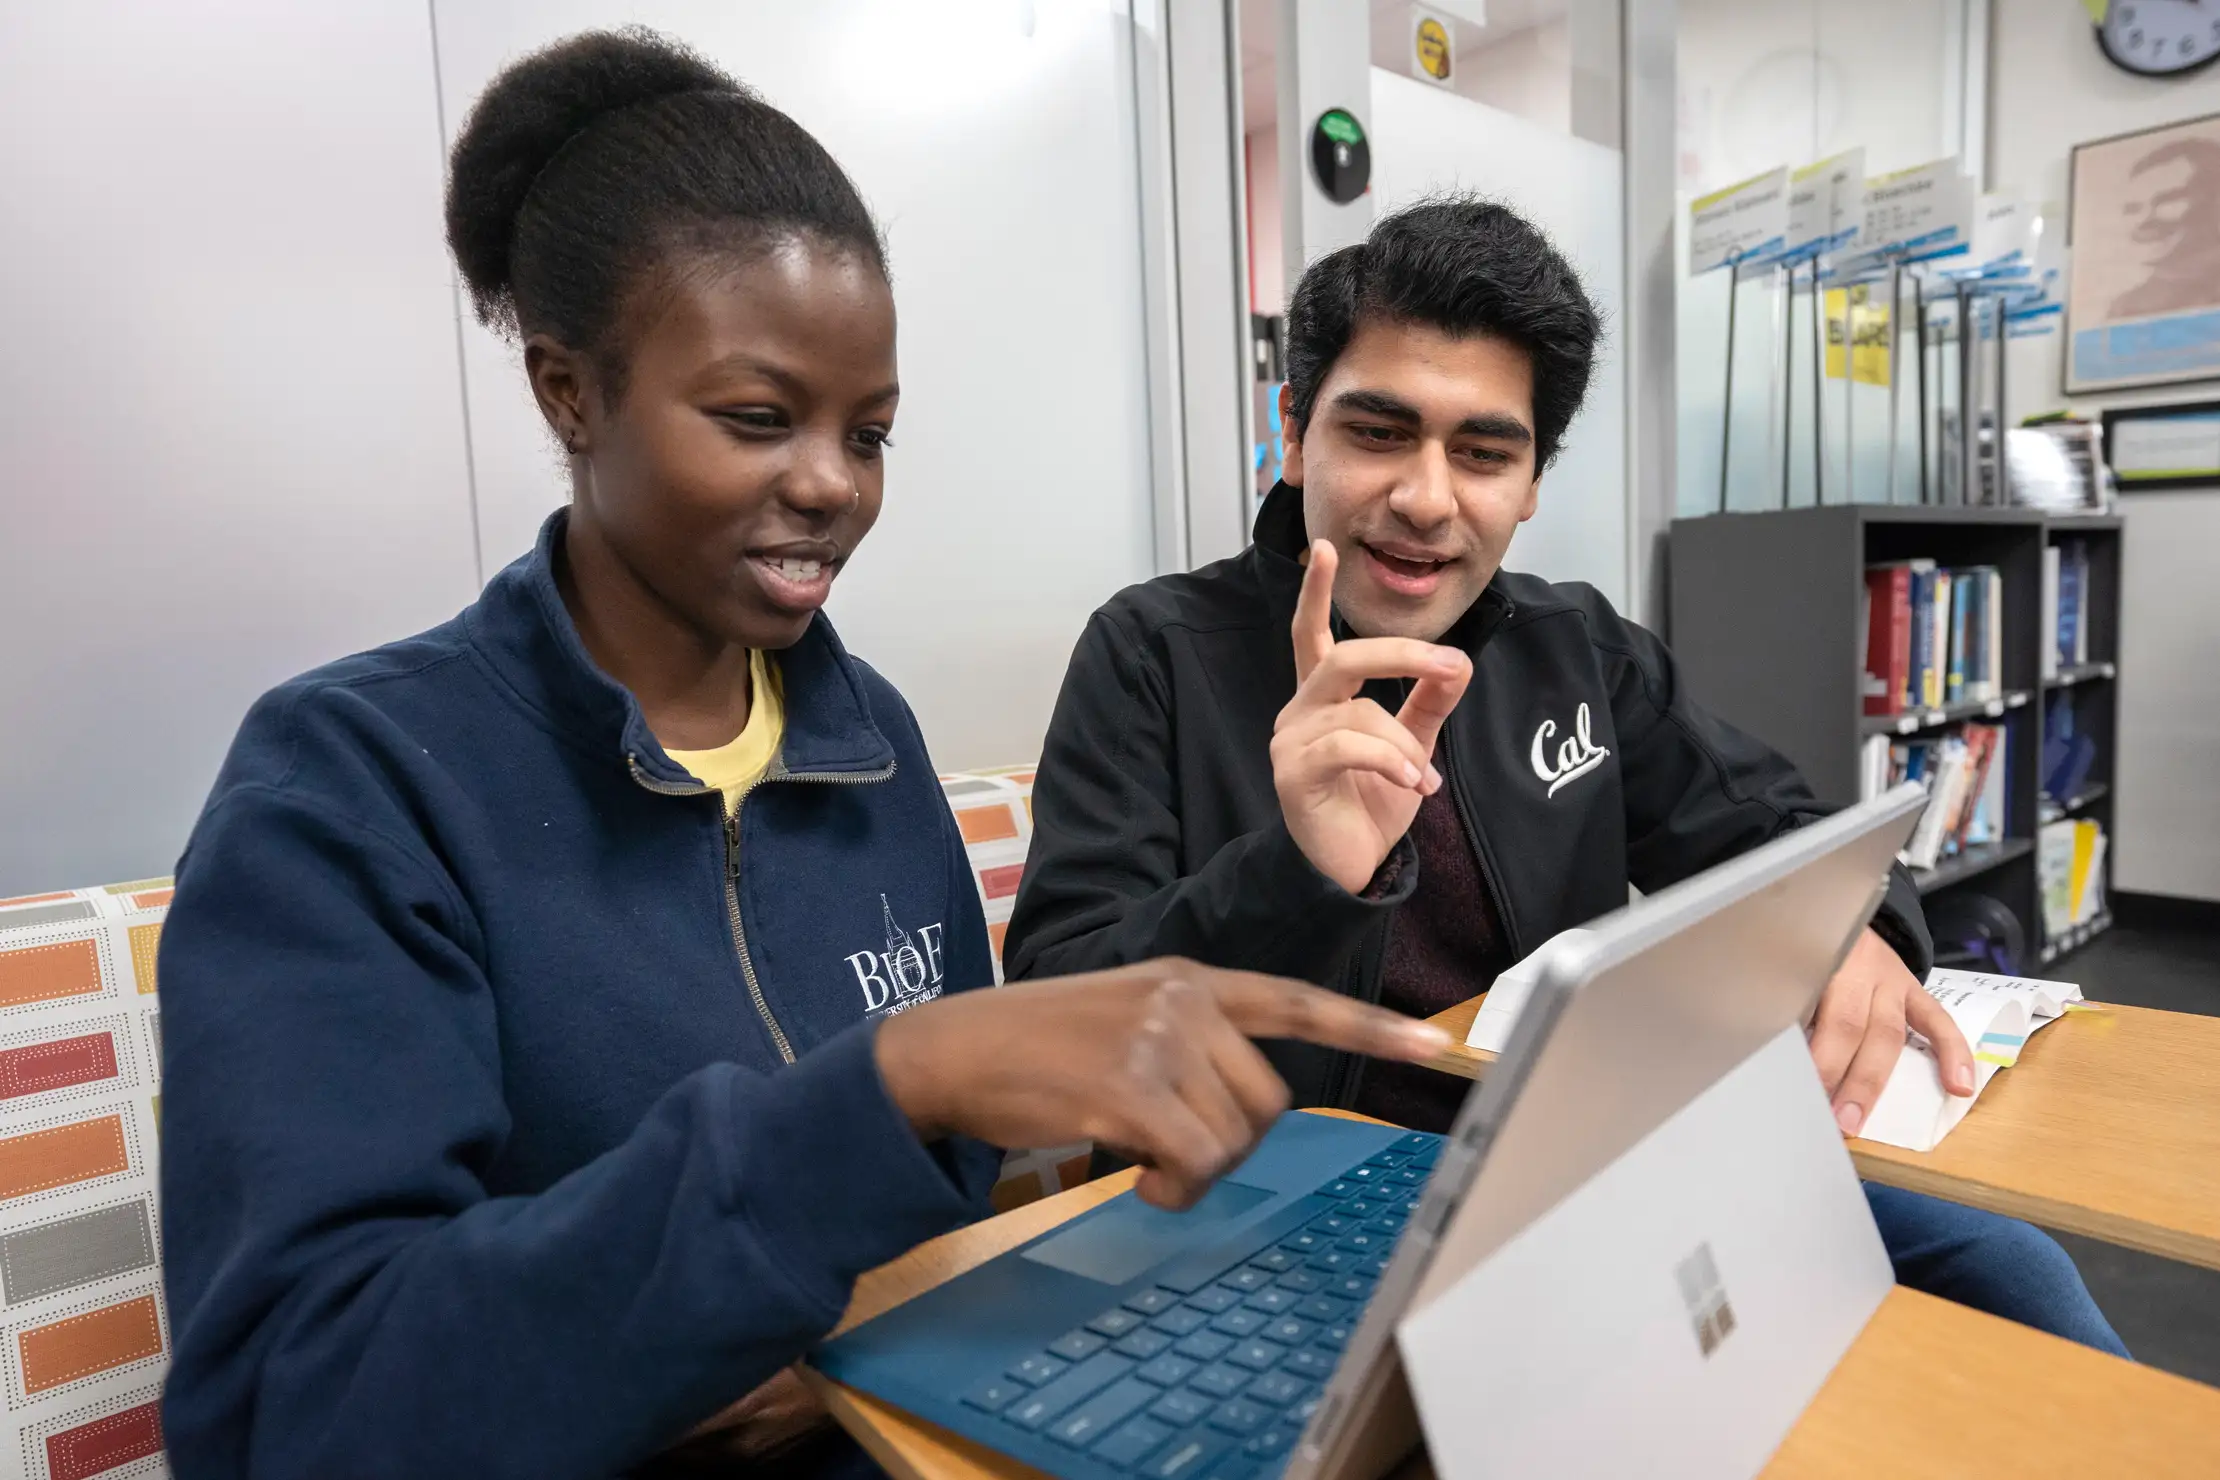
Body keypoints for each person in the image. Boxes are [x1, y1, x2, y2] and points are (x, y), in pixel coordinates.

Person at [155, 31, 1450, 1480]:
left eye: (872, 433)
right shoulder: (353, 787)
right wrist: (883, 1089)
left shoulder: (866, 743)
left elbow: (942, 1200)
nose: (834, 484)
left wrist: (873, 1293)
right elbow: (292, 1409)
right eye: (758, 419)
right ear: (569, 392)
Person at [1004, 196, 2128, 1357]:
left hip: (1575, 1174)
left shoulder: (1575, 647)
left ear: (1534, 479)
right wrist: (1295, 872)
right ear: (1295, 432)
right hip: (1285, 1214)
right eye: (1379, 432)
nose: (1429, 498)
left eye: (1485, 451)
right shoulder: (1152, 652)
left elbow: (1782, 831)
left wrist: (1861, 931)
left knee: (2002, 1263)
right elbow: (1056, 1013)